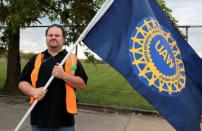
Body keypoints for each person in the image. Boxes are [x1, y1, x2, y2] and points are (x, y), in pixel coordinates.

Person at [19, 24, 88, 131]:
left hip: (65, 121)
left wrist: (64, 75)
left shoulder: (72, 59)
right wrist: (33, 91)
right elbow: (22, 82)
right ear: (46, 38)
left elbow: (82, 84)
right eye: (50, 35)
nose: (53, 37)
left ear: (63, 39)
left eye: (57, 35)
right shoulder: (36, 58)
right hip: (39, 120)